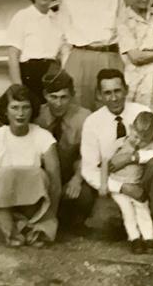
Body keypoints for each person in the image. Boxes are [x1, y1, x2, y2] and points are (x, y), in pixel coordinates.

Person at [80, 69, 153, 247]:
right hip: (114, 184)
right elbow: (89, 169)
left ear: (126, 89)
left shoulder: (143, 113)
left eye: (117, 91)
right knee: (104, 225)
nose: (114, 98)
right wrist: (123, 188)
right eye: (107, 93)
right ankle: (133, 233)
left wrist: (134, 157)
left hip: (142, 180)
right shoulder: (92, 122)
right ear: (99, 95)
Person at [0, 85, 61, 247]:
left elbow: (55, 182)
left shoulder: (44, 137)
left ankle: (29, 226)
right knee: (2, 175)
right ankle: (12, 228)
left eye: (25, 107)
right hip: (4, 204)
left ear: (32, 110)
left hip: (32, 203)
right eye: (14, 108)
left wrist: (49, 217)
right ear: (6, 111)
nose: (20, 114)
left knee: (39, 175)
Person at [59, 0, 126, 111]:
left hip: (108, 55)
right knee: (78, 109)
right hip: (79, 56)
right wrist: (66, 65)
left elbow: (123, 29)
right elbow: (64, 32)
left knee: (111, 108)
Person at [102, 111, 153, 254]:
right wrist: (103, 184)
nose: (138, 142)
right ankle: (135, 239)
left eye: (143, 139)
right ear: (131, 128)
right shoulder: (120, 142)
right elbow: (104, 161)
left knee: (143, 209)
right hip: (118, 184)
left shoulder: (147, 145)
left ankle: (149, 239)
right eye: (136, 136)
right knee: (128, 212)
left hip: (136, 186)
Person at [35, 67, 94, 230]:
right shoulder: (37, 116)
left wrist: (77, 179)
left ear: (72, 96)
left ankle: (72, 219)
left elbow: (89, 154)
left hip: (70, 175)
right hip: (44, 175)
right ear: (45, 95)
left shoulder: (84, 117)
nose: (58, 103)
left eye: (64, 97)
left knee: (84, 196)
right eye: (53, 97)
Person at [7, 0, 64, 102]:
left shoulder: (58, 20)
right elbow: (13, 55)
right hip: (29, 76)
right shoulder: (22, 16)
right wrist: (18, 87)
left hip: (51, 78)